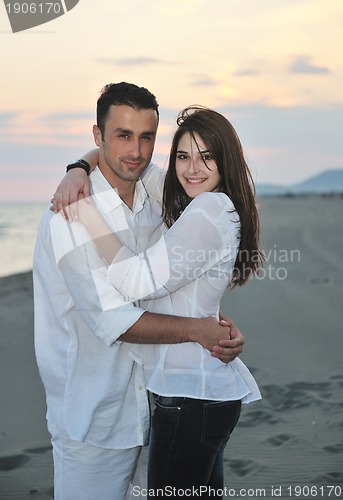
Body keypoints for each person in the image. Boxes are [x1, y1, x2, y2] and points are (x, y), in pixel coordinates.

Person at [34, 82, 244, 500]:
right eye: (122, 135)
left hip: (155, 407)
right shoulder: (71, 216)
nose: (136, 150)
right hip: (95, 419)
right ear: (99, 136)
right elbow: (115, 321)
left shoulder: (155, 194)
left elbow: (177, 271)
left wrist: (213, 327)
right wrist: (197, 330)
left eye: (146, 136)